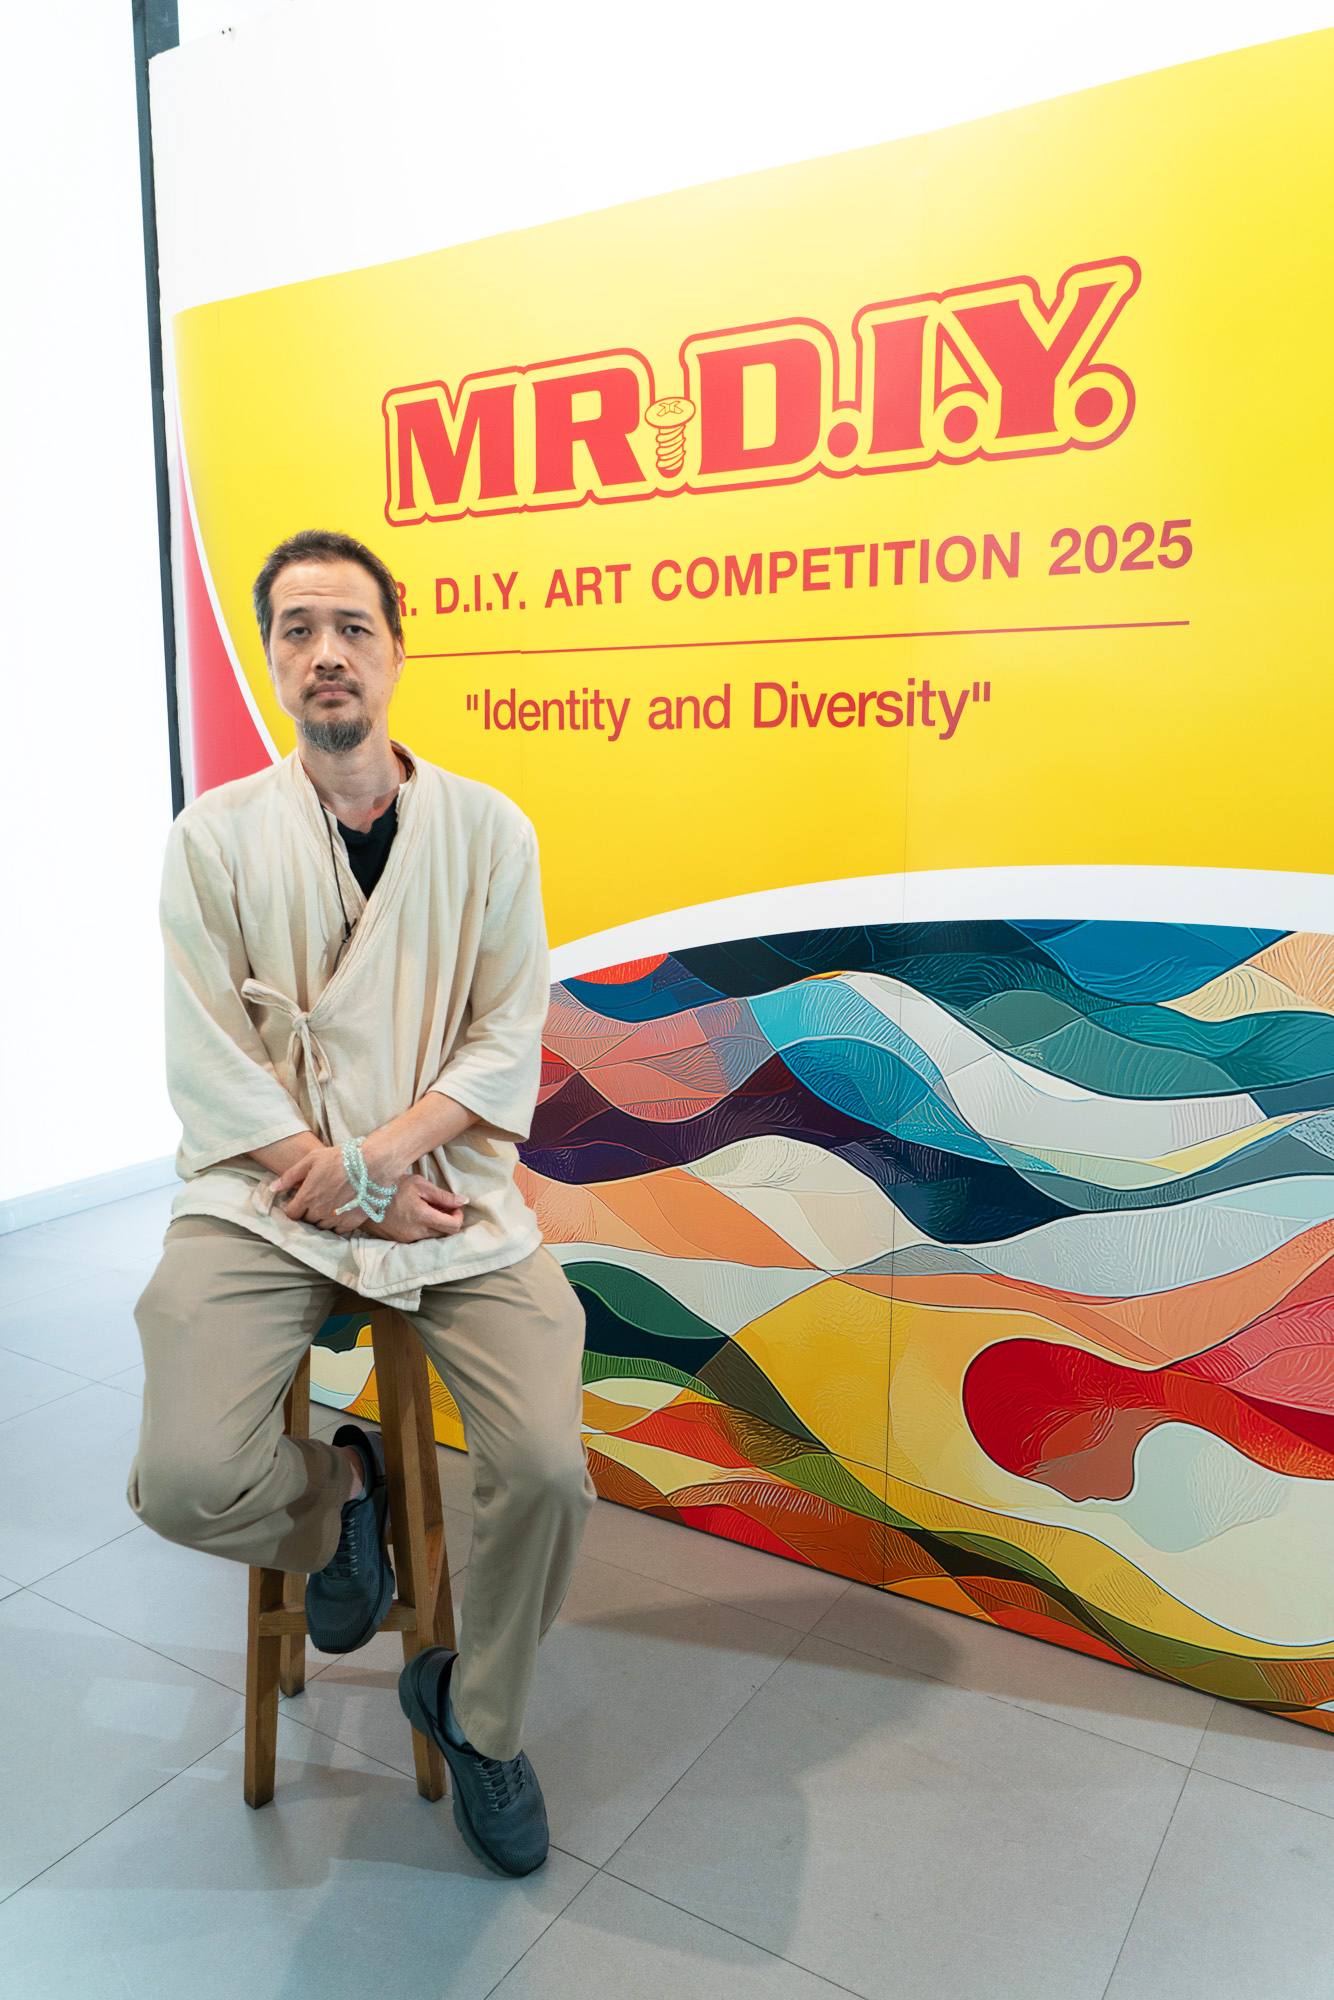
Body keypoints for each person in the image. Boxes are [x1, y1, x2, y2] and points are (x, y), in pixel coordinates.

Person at [129, 527, 595, 1877]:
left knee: (546, 1473)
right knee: (185, 1480)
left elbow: (505, 1039)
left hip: (443, 1191)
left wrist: (379, 1169)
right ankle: (342, 1492)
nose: (325, 653)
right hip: (263, 1190)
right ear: (273, 657)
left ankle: (477, 1714)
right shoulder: (214, 839)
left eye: (351, 628)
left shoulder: (488, 831)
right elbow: (208, 1054)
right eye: (297, 630)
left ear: (397, 647)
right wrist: (336, 1185)